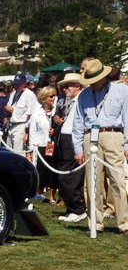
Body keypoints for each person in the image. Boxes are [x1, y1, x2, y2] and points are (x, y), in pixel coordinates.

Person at [72, 58, 128, 235]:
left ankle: (124, 223)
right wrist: (78, 148)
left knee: (117, 180)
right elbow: (78, 122)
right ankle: (95, 223)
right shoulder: (84, 95)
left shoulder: (122, 90)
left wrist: (127, 143)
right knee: (92, 182)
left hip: (113, 134)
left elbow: (127, 117)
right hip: (90, 136)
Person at [54, 72, 87, 222]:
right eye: (63, 86)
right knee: (64, 175)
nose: (64, 89)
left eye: (67, 86)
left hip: (73, 140)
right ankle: (71, 207)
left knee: (69, 176)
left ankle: (77, 208)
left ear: (77, 86)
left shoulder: (82, 98)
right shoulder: (72, 101)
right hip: (65, 138)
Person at [28, 86, 57, 203]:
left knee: (53, 169)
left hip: (53, 144)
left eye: (54, 96)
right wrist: (31, 150)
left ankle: (52, 196)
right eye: (51, 96)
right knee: (41, 170)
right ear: (44, 98)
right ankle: (39, 192)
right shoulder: (36, 114)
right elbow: (32, 132)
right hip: (40, 145)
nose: (53, 98)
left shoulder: (56, 112)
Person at [6, 74, 37, 156]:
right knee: (9, 152)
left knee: (18, 154)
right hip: (11, 125)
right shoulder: (14, 94)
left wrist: (27, 132)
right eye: (15, 84)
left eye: (18, 84)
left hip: (21, 126)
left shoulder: (30, 95)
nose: (16, 86)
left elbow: (32, 115)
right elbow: (8, 106)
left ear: (24, 84)